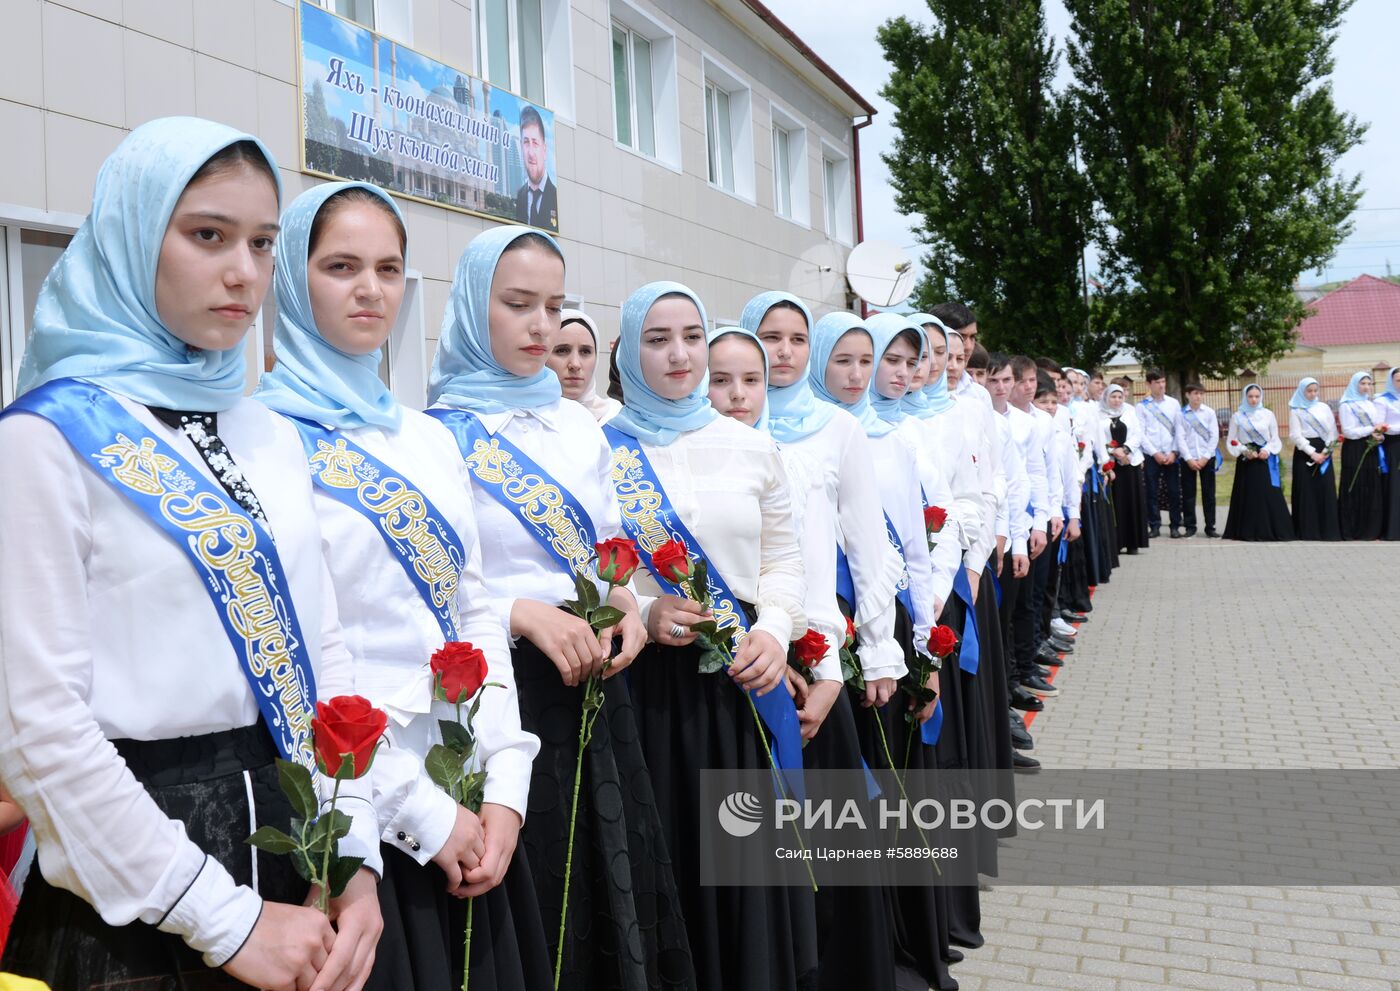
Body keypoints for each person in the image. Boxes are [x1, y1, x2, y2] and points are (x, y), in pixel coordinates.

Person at [0, 118, 382, 990]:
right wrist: (227, 918)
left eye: (261, 242)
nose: (243, 271)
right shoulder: (45, 439)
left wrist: (356, 854)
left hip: (300, 852)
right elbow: (39, 731)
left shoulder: (268, 431)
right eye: (207, 235)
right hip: (135, 879)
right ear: (134, 238)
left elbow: (327, 652)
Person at [254, 182, 550, 989]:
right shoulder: (257, 441)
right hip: (355, 823)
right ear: (290, 278)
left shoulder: (424, 435)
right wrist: (418, 811)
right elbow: (295, 662)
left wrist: (506, 784)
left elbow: (473, 608)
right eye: (340, 265)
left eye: (389, 267)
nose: (370, 288)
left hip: (471, 805)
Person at [427, 234, 695, 990]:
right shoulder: (435, 433)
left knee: (607, 879)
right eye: (517, 304)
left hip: (595, 685)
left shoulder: (578, 424)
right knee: (537, 887)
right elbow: (438, 580)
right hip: (499, 692)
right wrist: (521, 612)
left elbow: (609, 548)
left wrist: (629, 606)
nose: (541, 325)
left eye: (553, 305)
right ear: (473, 305)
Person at [607, 281, 814, 991]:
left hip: (737, 686)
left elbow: (784, 560)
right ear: (629, 349)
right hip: (641, 694)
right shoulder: (598, 449)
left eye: (692, 335)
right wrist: (640, 610)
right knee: (658, 863)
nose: (678, 353)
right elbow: (580, 564)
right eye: (657, 338)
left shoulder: (752, 447)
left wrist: (776, 630)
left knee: (740, 876)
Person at [706, 323, 898, 991]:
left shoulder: (820, 437)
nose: (739, 392)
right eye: (767, 339)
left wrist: (827, 667)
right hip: (734, 676)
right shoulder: (693, 454)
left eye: (752, 376)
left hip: (807, 664)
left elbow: (819, 561)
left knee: (833, 850)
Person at [1223, 385, 1293, 542]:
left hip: (1265, 459)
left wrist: (1267, 450)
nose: (1254, 399)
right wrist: (1244, 451)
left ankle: (1272, 530)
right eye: (1250, 396)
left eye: (1256, 396)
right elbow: (1232, 441)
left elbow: (1275, 437)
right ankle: (1247, 531)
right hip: (1247, 460)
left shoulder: (1268, 415)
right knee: (1248, 495)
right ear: (1245, 397)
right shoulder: (1237, 416)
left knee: (1269, 494)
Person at [1286, 377, 1341, 542]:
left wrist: (1326, 451)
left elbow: (1332, 431)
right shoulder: (1296, 410)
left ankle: (1328, 530)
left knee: (1325, 490)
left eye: (1315, 390)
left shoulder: (1324, 407)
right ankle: (1307, 530)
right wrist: (1313, 453)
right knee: (1306, 491)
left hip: (1324, 452)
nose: (1312, 394)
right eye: (1309, 391)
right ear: (1302, 391)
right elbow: (1295, 435)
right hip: (1305, 453)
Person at [547, 308, 622, 423]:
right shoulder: (525, 419)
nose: (575, 364)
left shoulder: (615, 418)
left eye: (585, 352)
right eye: (562, 350)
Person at [1337, 371, 1387, 541]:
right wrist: (1371, 430)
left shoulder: (1370, 404)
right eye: (1362, 383)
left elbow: (1375, 426)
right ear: (1354, 385)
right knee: (1355, 485)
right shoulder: (1346, 405)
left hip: (1370, 447)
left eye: (1369, 384)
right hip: (1354, 449)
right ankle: (1353, 529)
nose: (1366, 387)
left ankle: (1370, 529)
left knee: (1371, 485)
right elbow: (1348, 432)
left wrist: (1379, 436)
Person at [1101, 383, 1151, 553]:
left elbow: (1138, 434)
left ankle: (1133, 542)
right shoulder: (1099, 415)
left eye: (1119, 397)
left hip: (1130, 463)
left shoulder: (1130, 412)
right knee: (1115, 503)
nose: (1116, 400)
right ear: (1106, 397)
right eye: (1113, 396)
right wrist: (1112, 450)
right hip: (1110, 465)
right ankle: (1116, 542)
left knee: (1132, 501)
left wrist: (1126, 449)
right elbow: (1097, 437)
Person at [1139, 370, 1184, 538]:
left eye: (1163, 381)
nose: (1161, 385)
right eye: (1157, 382)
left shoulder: (1173, 404)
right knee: (1152, 491)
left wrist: (1173, 452)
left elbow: (1179, 430)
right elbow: (1141, 433)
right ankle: (1154, 525)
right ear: (1149, 384)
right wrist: (1155, 453)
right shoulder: (1142, 406)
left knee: (1174, 491)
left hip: (1171, 454)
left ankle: (1175, 525)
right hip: (1152, 455)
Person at [1174, 383, 1221, 538]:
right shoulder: (1181, 414)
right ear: (1188, 395)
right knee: (1188, 494)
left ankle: (1210, 526)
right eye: (1195, 393)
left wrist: (1205, 457)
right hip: (1188, 459)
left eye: (1201, 393)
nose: (1198, 396)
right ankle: (1190, 526)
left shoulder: (1209, 413)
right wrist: (1188, 458)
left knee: (1209, 494)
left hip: (1207, 458)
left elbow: (1214, 436)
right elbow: (1179, 438)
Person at [513, 106, 558, 231]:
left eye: (535, 143)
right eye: (526, 142)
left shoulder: (555, 196)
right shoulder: (520, 196)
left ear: (544, 149)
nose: (531, 153)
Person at [1377, 366, 1400, 540]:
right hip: (1393, 446)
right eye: (1398, 380)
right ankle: (1394, 528)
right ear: (1391, 381)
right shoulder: (1383, 400)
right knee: (1394, 486)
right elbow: (1382, 426)